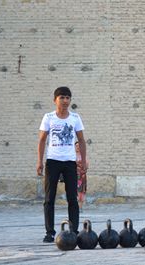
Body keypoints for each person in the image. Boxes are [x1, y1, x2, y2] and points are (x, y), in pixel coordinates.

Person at [36, 86, 87, 243]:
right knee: (49, 198)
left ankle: (74, 230)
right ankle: (50, 232)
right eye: (62, 97)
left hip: (70, 162)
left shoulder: (75, 118)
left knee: (72, 198)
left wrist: (83, 161)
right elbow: (42, 140)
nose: (65, 101)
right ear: (55, 100)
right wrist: (39, 161)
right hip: (53, 162)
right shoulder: (49, 117)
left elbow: (82, 140)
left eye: (67, 98)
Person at [75, 141, 88, 212]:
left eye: (79, 146)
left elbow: (86, 165)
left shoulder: (83, 156)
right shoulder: (72, 155)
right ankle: (75, 207)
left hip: (82, 176)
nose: (77, 147)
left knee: (81, 191)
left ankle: (80, 207)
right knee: (74, 191)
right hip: (73, 176)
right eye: (76, 146)